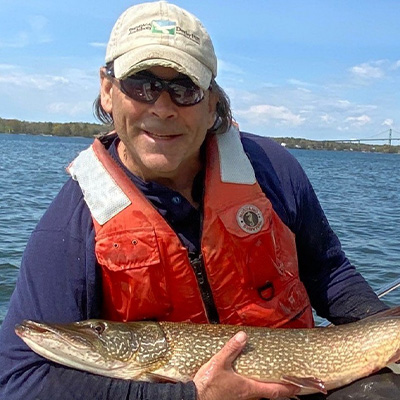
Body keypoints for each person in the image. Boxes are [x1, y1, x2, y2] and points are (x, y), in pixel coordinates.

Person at [0, 1, 397, 399]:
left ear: (211, 104)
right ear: (108, 91)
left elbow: (329, 272)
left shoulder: (273, 170)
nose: (162, 107)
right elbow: (19, 379)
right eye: (142, 84)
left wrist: (385, 328)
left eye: (183, 89)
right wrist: (191, 396)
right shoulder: (69, 228)